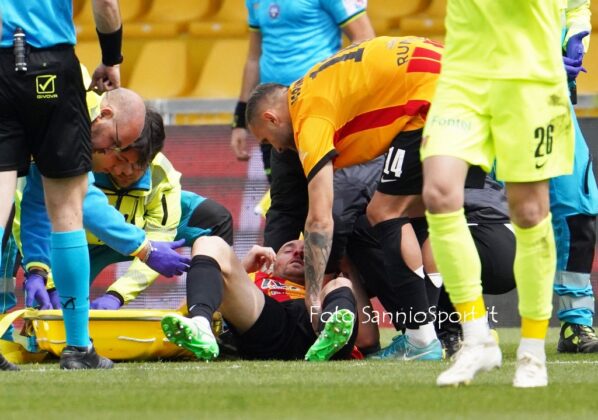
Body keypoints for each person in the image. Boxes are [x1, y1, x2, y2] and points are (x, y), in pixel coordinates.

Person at [246, 36, 449, 361]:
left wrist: (312, 296)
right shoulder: (311, 87)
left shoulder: (309, 119)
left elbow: (320, 219)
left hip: (432, 95)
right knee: (425, 211)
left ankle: (422, 340)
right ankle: (454, 331)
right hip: (453, 74)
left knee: (384, 212)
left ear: (272, 118)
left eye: (268, 141)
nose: (278, 149)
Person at [420, 0, 574, 387]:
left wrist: (577, 31)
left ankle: (533, 351)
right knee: (439, 193)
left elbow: (576, 7)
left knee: (530, 213)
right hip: (463, 77)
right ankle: (476, 338)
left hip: (530, 79)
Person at [0, 0, 125, 370]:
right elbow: (105, 4)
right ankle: (78, 347)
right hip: (51, 64)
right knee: (68, 212)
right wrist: (111, 58)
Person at [17, 110, 196, 310]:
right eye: (120, 159)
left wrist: (117, 296)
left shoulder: (162, 175)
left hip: (128, 243)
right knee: (50, 305)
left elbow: (159, 241)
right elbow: (70, 206)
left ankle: (203, 317)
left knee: (214, 220)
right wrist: (42, 274)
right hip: (78, 240)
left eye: (138, 165)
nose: (125, 171)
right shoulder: (73, 148)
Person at [230, 0, 375, 183]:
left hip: (316, 108)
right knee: (283, 193)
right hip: (273, 115)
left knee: (328, 188)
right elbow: (253, 58)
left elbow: (364, 38)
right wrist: (240, 120)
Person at [161, 238, 358, 361]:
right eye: (288, 250)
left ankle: (329, 335)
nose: (298, 252)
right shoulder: (254, 280)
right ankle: (201, 325)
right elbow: (186, 308)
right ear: (272, 263)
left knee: (342, 283)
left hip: (315, 322)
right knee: (208, 242)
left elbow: (367, 338)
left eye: (307, 252)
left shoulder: (325, 287)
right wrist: (242, 268)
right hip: (269, 324)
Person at [551, 1, 598, 354]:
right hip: (493, 104)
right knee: (469, 210)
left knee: (578, 210)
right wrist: (542, 66)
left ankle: (576, 323)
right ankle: (447, 324)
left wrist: (577, 34)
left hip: (553, 103)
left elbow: (577, 5)